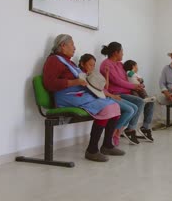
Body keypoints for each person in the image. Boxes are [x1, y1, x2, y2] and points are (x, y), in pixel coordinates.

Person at [42, 34, 125, 162]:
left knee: (114, 107)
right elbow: (49, 83)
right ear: (63, 46)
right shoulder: (54, 60)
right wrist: (74, 82)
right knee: (107, 108)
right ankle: (92, 150)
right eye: (72, 45)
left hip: (79, 94)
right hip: (67, 96)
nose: (74, 48)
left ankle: (107, 145)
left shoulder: (69, 62)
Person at [99, 42, 155, 144]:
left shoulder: (120, 65)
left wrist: (139, 83)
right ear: (116, 52)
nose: (123, 54)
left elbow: (129, 77)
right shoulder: (106, 64)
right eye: (122, 52)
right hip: (116, 93)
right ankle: (129, 130)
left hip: (128, 91)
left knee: (150, 101)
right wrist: (135, 86)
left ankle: (145, 128)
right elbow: (117, 81)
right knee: (140, 102)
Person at [79, 53, 138, 147]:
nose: (92, 67)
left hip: (107, 95)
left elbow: (104, 87)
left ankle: (116, 133)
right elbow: (99, 91)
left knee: (134, 107)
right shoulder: (82, 76)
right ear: (82, 64)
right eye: (90, 65)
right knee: (129, 110)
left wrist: (106, 74)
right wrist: (113, 96)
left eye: (94, 65)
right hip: (105, 97)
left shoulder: (93, 74)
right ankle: (115, 133)